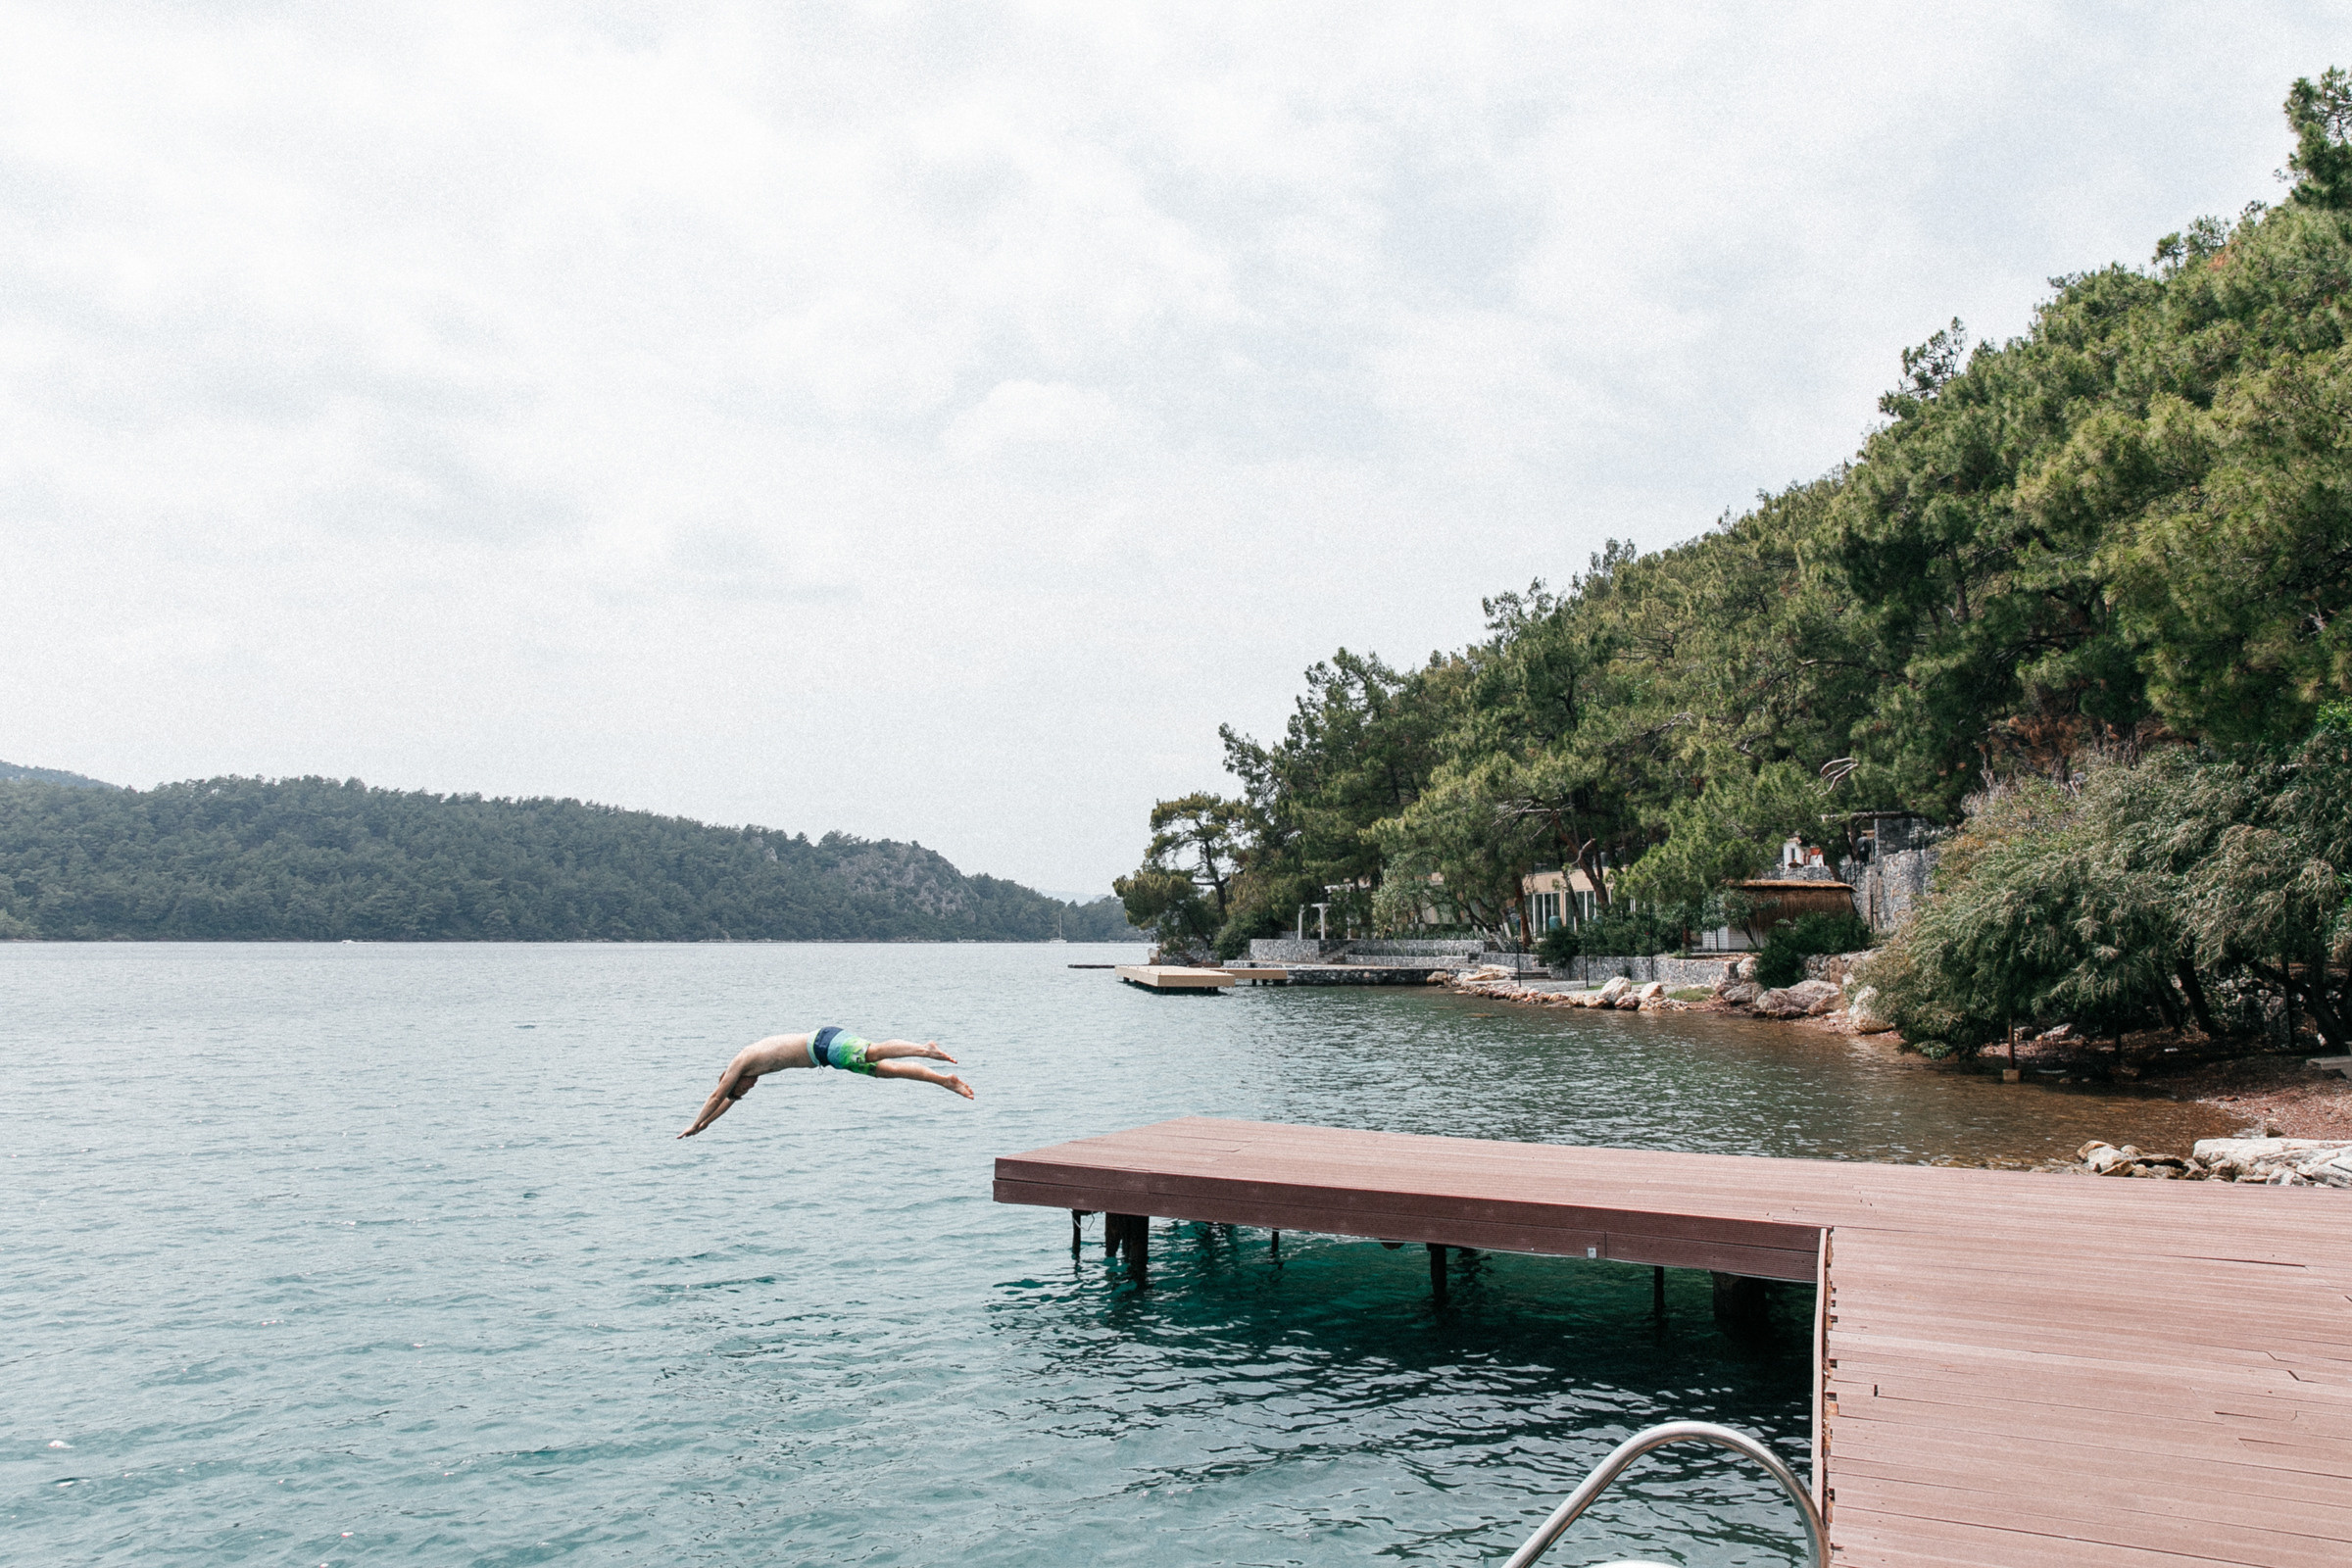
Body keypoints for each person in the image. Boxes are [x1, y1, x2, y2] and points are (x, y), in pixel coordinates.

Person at [676, 1026, 973, 1137]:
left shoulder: (741, 1062)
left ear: (734, 1081)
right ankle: (944, 1081)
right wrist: (704, 1127)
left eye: (743, 1089)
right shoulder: (748, 1070)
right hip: (828, 1051)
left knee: (875, 1052)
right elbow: (727, 1102)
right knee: (887, 1070)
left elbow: (718, 1096)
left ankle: (924, 1049)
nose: (749, 1089)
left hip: (825, 1046)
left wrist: (694, 1122)